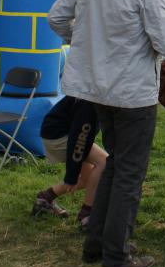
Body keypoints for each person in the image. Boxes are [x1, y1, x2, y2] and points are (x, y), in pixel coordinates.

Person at [48, 0, 165, 267]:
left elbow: (56, 18)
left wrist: (83, 38)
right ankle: (117, 254)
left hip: (97, 91)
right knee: (129, 173)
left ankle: (97, 244)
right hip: (133, 94)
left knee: (116, 164)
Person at [34, 95, 109, 228]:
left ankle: (45, 198)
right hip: (59, 136)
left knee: (87, 178)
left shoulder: (93, 92)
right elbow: (79, 139)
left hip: (58, 131)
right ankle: (86, 216)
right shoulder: (89, 102)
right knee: (104, 162)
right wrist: (71, 176)